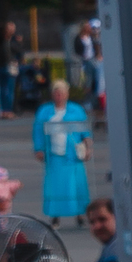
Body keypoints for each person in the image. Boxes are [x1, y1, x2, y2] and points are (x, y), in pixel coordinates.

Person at [33, 79, 92, 225]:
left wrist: (88, 147)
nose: (59, 96)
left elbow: (85, 131)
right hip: (54, 155)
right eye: (56, 92)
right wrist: (38, 149)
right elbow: (38, 131)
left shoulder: (76, 110)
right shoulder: (45, 111)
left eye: (62, 93)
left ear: (67, 94)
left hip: (73, 156)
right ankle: (55, 216)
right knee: (55, 187)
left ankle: (79, 214)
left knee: (76, 186)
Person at [0, 21, 23, 118]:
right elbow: (18, 51)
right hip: (8, 67)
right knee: (8, 90)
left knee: (4, 89)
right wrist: (19, 43)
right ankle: (7, 110)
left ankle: (5, 110)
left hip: (2, 66)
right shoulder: (8, 41)